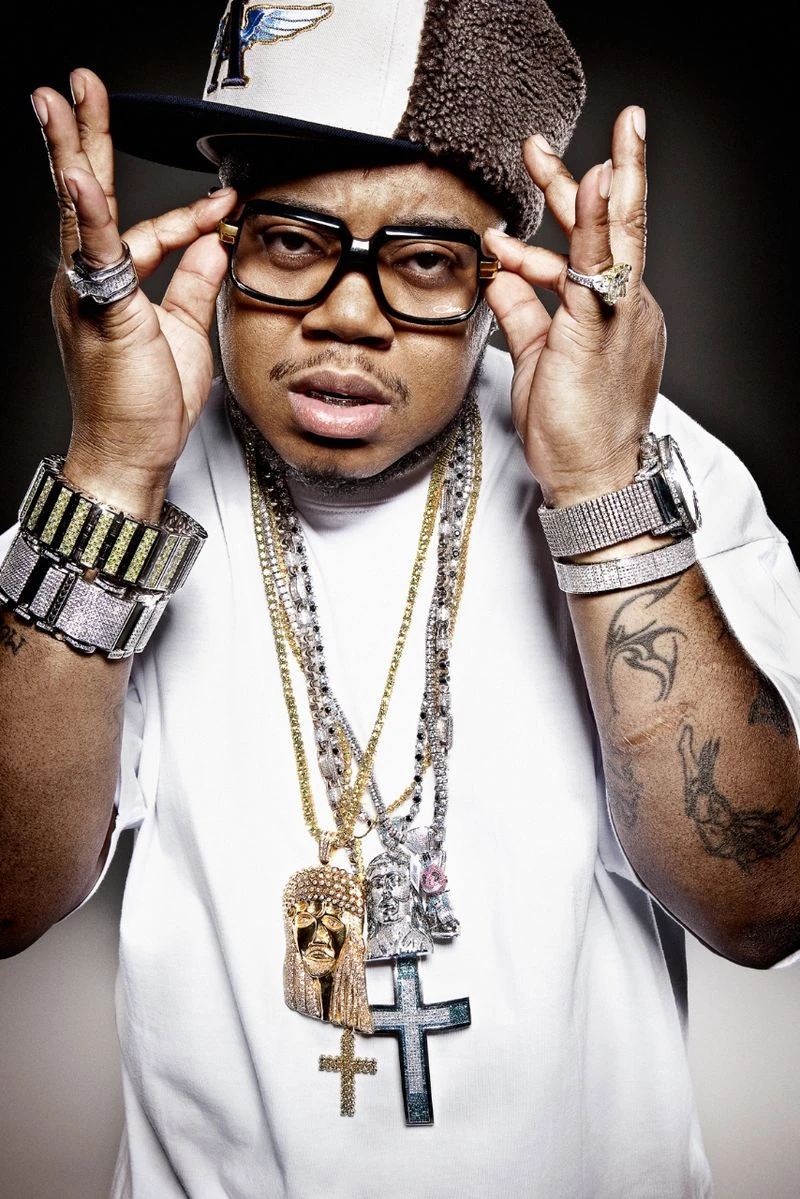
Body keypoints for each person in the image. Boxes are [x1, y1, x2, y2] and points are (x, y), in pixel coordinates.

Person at [1, 0, 799, 1195]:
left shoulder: (650, 472)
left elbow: (762, 906)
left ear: (501, 273)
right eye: (291, 239)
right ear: (223, 237)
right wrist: (113, 472)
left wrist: (595, 484)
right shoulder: (109, 500)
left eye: (423, 259)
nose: (346, 311)